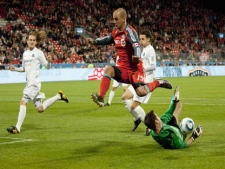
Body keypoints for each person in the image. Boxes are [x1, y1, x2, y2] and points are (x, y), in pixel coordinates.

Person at [86, 8, 172, 107]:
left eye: (116, 19)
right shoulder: (115, 32)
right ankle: (101, 98)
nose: (114, 22)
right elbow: (107, 40)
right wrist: (94, 41)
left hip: (135, 70)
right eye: (113, 19)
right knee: (108, 70)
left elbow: (137, 45)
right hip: (123, 69)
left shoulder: (130, 32)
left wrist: (137, 55)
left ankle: (158, 82)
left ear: (123, 19)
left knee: (141, 92)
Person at [6, 30, 69, 134]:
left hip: (34, 83)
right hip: (30, 83)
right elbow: (23, 68)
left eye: (33, 40)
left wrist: (49, 60)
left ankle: (17, 128)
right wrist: (14, 69)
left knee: (23, 102)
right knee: (40, 108)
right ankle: (59, 96)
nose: (31, 41)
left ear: (36, 42)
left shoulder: (38, 53)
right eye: (30, 40)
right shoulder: (25, 54)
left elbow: (47, 67)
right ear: (27, 41)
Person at [121, 29, 156, 135]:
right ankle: (137, 119)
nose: (140, 41)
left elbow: (153, 66)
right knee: (124, 97)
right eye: (140, 39)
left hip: (145, 83)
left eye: (143, 39)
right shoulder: (143, 49)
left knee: (134, 106)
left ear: (149, 39)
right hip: (138, 79)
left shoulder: (150, 50)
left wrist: (142, 67)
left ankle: (149, 126)